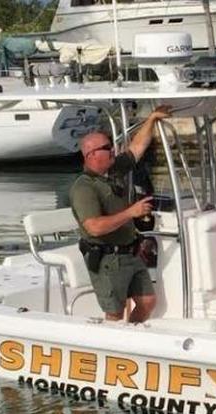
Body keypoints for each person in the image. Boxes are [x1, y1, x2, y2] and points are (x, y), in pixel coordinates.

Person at [70, 106, 171, 323]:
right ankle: (112, 340)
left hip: (130, 251)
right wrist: (131, 213)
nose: (113, 150)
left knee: (147, 301)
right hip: (107, 258)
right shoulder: (84, 187)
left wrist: (152, 119)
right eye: (108, 148)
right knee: (115, 313)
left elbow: (137, 147)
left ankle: (130, 335)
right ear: (92, 154)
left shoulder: (114, 170)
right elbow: (94, 227)